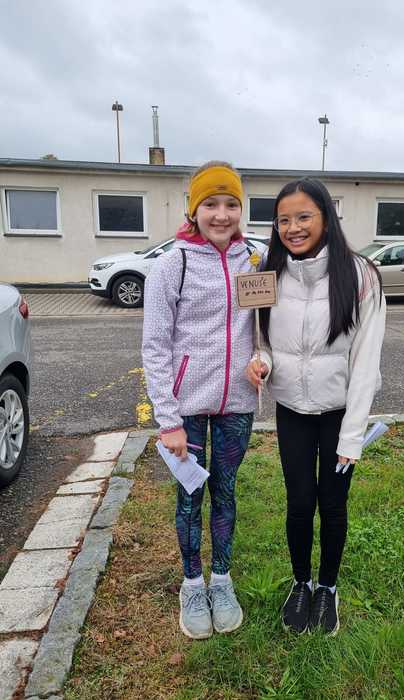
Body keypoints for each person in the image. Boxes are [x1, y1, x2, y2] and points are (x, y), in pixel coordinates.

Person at [246, 178, 386, 635]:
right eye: (283, 220)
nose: (293, 228)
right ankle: (302, 582)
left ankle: (328, 586)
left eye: (304, 216)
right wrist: (262, 363)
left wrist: (352, 436)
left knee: (333, 504)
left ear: (326, 217)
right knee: (300, 501)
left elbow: (366, 362)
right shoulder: (268, 272)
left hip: (339, 415)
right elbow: (262, 342)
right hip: (292, 412)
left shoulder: (361, 275)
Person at [142, 161, 256, 640]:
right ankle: (192, 585)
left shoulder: (255, 261)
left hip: (238, 404)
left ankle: (222, 582)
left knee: (225, 492)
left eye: (231, 204)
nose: (221, 214)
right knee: (190, 497)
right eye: (211, 204)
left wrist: (264, 358)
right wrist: (168, 420)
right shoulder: (173, 265)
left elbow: (267, 326)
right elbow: (155, 347)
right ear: (194, 209)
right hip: (185, 409)